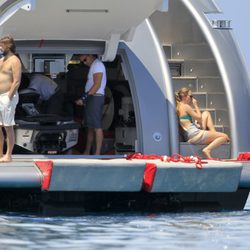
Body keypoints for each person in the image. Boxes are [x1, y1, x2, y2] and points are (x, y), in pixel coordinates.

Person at [176, 87, 230, 159]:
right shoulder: (186, 106)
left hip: (189, 134)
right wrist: (195, 105)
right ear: (185, 96)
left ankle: (213, 133)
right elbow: (199, 117)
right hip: (195, 134)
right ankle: (207, 149)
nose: (192, 98)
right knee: (224, 137)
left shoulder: (178, 106)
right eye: (191, 96)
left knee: (206, 113)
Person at [75, 54, 106, 155]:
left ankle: (97, 153)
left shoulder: (97, 65)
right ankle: (87, 151)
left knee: (97, 126)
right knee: (90, 127)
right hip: (92, 97)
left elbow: (97, 84)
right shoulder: (94, 66)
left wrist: (84, 98)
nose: (84, 63)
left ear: (90, 55)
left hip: (95, 97)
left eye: (84, 60)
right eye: (82, 62)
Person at [0, 36, 22, 162]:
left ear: (8, 46)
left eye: (1, 45)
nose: (0, 47)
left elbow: (17, 80)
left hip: (8, 95)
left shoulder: (15, 60)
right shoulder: (2, 60)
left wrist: (9, 97)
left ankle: (8, 155)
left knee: (8, 126)